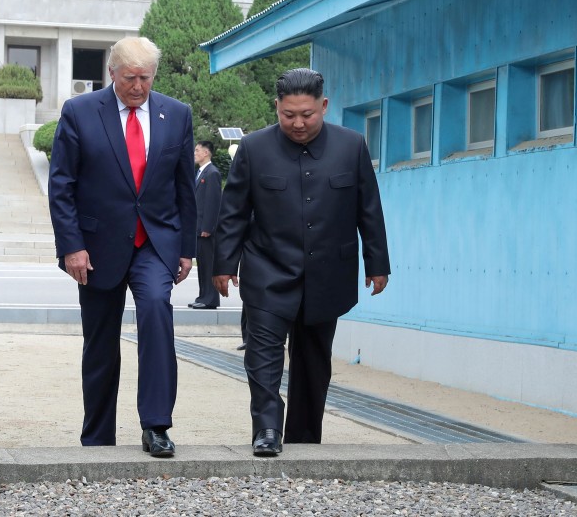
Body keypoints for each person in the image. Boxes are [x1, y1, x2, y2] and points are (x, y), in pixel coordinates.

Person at [213, 68, 390, 457]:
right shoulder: (254, 148)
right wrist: (223, 264)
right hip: (266, 269)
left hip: (327, 274)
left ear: (323, 106)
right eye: (288, 114)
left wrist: (377, 262)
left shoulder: (352, 146)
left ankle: (305, 437)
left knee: (313, 360)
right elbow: (233, 212)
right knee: (262, 356)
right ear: (276, 107)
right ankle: (267, 430)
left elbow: (369, 210)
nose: (297, 123)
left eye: (307, 114)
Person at [48, 36, 196, 458]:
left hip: (154, 242)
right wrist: (71, 246)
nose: (137, 86)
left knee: (155, 312)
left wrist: (187, 247)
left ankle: (156, 426)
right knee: (100, 342)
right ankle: (97, 436)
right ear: (111, 73)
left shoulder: (176, 114)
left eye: (145, 78)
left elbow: (185, 186)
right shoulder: (79, 112)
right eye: (129, 77)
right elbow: (61, 185)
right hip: (95, 248)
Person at [189, 140, 222, 309]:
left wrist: (208, 227)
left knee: (208, 264)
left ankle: (210, 299)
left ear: (206, 153)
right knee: (202, 264)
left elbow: (213, 203)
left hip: (206, 229)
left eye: (197, 150)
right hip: (199, 227)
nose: (195, 153)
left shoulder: (212, 173)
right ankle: (203, 296)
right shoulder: (201, 172)